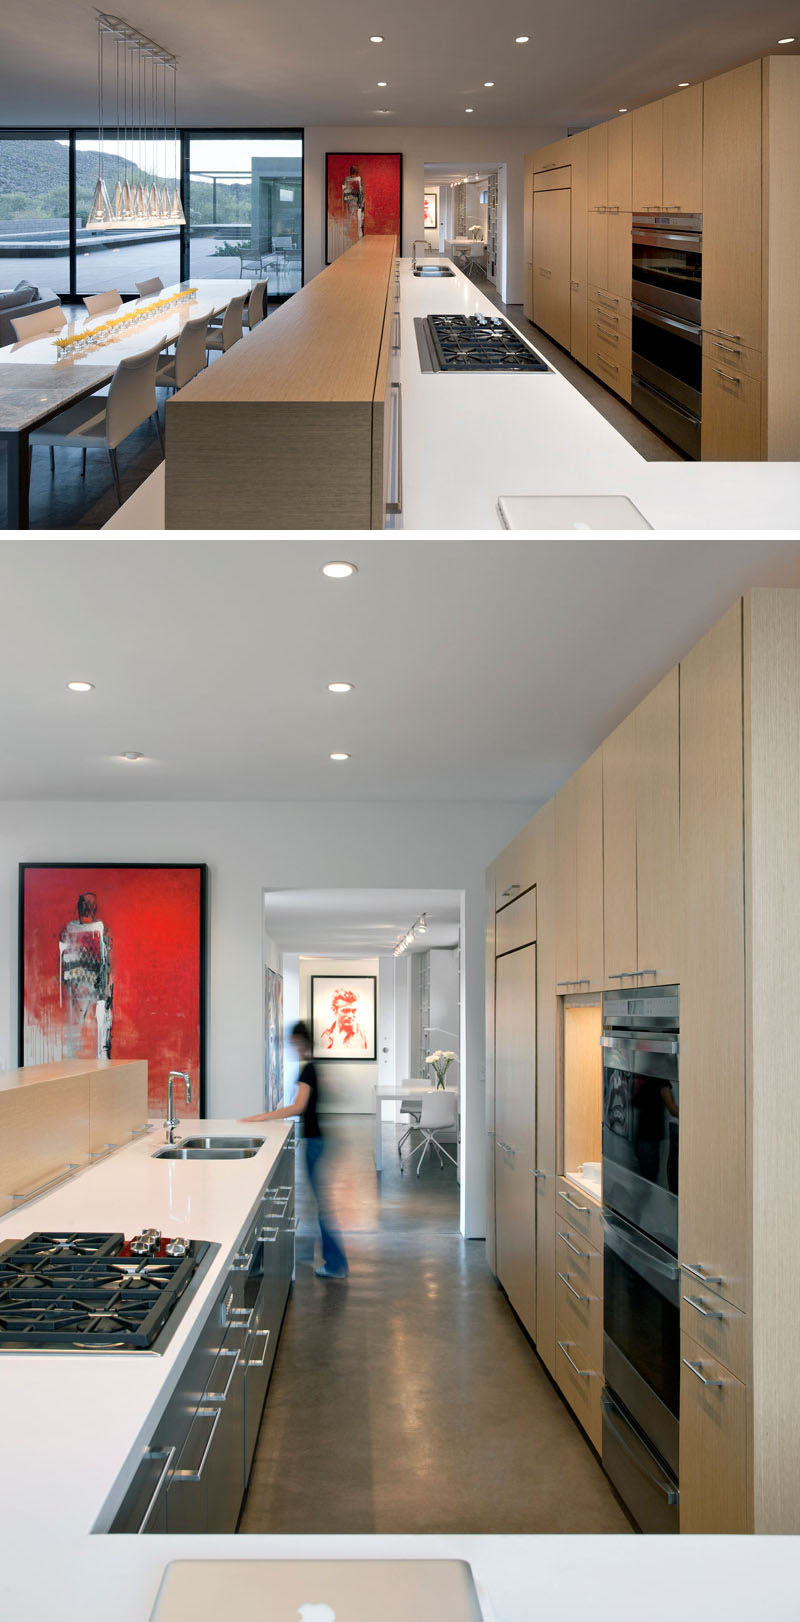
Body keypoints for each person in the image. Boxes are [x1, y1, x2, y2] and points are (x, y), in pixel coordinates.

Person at [243, 1019, 348, 1280]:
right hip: (317, 1141)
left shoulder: (307, 1071)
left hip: (314, 1143)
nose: (291, 1048)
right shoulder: (314, 1067)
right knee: (320, 1205)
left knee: (322, 1206)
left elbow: (298, 1107)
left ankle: (336, 1264)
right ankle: (329, 1261)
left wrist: (262, 1117)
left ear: (299, 1042)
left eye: (292, 1043)